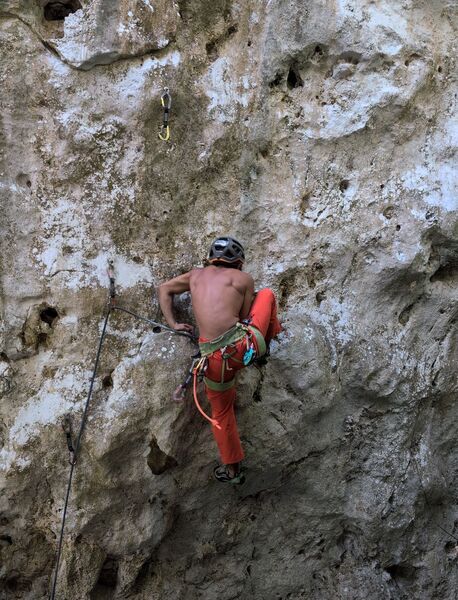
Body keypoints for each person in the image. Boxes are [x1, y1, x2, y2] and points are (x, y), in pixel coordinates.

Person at [158, 237, 282, 484]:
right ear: (239, 262)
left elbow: (164, 289)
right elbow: (246, 317)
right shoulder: (243, 279)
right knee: (266, 294)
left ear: (211, 258)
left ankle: (233, 471)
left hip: (213, 360)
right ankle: (270, 342)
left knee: (222, 412)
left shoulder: (195, 276)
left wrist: (173, 323)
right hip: (245, 348)